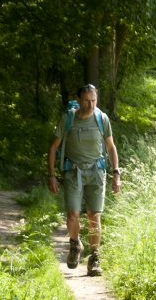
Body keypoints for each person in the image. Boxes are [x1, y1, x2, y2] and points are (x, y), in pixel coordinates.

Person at [47, 84, 121, 276]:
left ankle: (94, 258)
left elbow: (111, 147)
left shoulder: (101, 118)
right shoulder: (68, 119)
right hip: (73, 172)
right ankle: (74, 245)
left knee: (93, 215)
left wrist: (116, 173)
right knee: (73, 213)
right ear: (78, 100)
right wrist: (52, 175)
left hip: (97, 173)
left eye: (94, 100)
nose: (91, 104)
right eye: (87, 100)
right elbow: (53, 147)